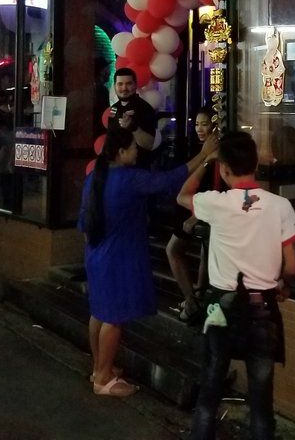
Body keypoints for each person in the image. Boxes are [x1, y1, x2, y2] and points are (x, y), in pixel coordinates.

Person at [79, 126, 218, 397]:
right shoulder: (129, 179)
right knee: (114, 318)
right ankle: (104, 380)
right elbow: (169, 180)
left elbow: (85, 224)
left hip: (96, 255)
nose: (137, 151)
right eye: (133, 147)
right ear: (120, 152)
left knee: (99, 313)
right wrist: (203, 155)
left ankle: (99, 368)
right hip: (118, 257)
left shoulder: (95, 177)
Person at [178, 132, 295, 440]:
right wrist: (284, 285)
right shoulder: (281, 206)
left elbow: (183, 195)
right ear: (256, 164)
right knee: (261, 404)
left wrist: (206, 161)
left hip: (220, 308)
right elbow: (293, 266)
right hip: (263, 308)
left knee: (209, 393)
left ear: (224, 169)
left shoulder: (215, 203)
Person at [166, 106, 221, 323]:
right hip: (191, 207)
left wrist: (197, 214)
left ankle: (192, 300)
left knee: (176, 249)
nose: (199, 129)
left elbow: (215, 189)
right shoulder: (199, 150)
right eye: (197, 124)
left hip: (201, 209)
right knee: (199, 251)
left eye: (204, 124)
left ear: (215, 127)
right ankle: (194, 297)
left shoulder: (215, 155)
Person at [108, 68, 157, 170]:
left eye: (129, 84)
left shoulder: (145, 109)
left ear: (135, 85)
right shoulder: (114, 108)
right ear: (115, 86)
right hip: (116, 169)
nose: (124, 88)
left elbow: (149, 144)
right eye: (120, 84)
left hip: (139, 170)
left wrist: (133, 127)